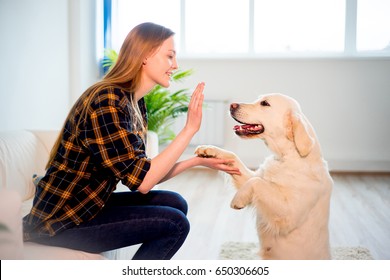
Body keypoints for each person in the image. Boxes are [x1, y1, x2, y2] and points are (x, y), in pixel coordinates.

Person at [23, 22, 240, 260]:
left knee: (175, 202)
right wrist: (189, 129)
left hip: (88, 207)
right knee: (175, 223)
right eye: (170, 56)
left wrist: (196, 161)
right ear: (145, 56)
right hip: (61, 221)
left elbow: (142, 172)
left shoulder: (133, 103)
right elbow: (144, 183)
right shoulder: (107, 101)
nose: (175, 65)